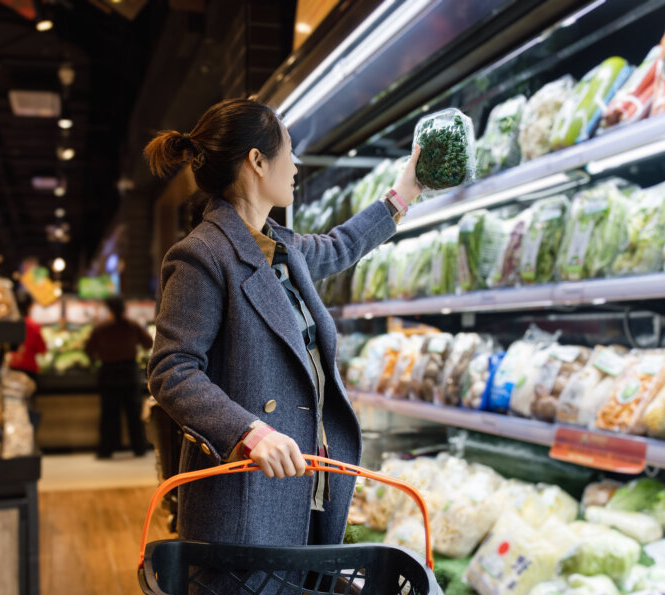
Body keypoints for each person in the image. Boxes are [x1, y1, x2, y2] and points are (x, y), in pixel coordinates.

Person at [145, 98, 422, 552]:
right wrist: (248, 432)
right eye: (288, 151)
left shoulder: (280, 248)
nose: (294, 166)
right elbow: (171, 370)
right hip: (245, 497)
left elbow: (339, 246)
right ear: (257, 161)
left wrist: (403, 193)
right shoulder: (201, 255)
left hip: (300, 484)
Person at [85, 296, 153, 458]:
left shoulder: (101, 328)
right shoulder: (131, 325)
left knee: (109, 414)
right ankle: (139, 447)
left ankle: (106, 449)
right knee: (134, 413)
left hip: (108, 372)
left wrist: (101, 355)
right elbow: (148, 343)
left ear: (108, 308)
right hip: (128, 372)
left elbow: (89, 350)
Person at [7, 294, 47, 384]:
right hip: (29, 368)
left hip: (12, 366)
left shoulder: (9, 325)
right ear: (29, 306)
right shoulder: (34, 326)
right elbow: (42, 349)